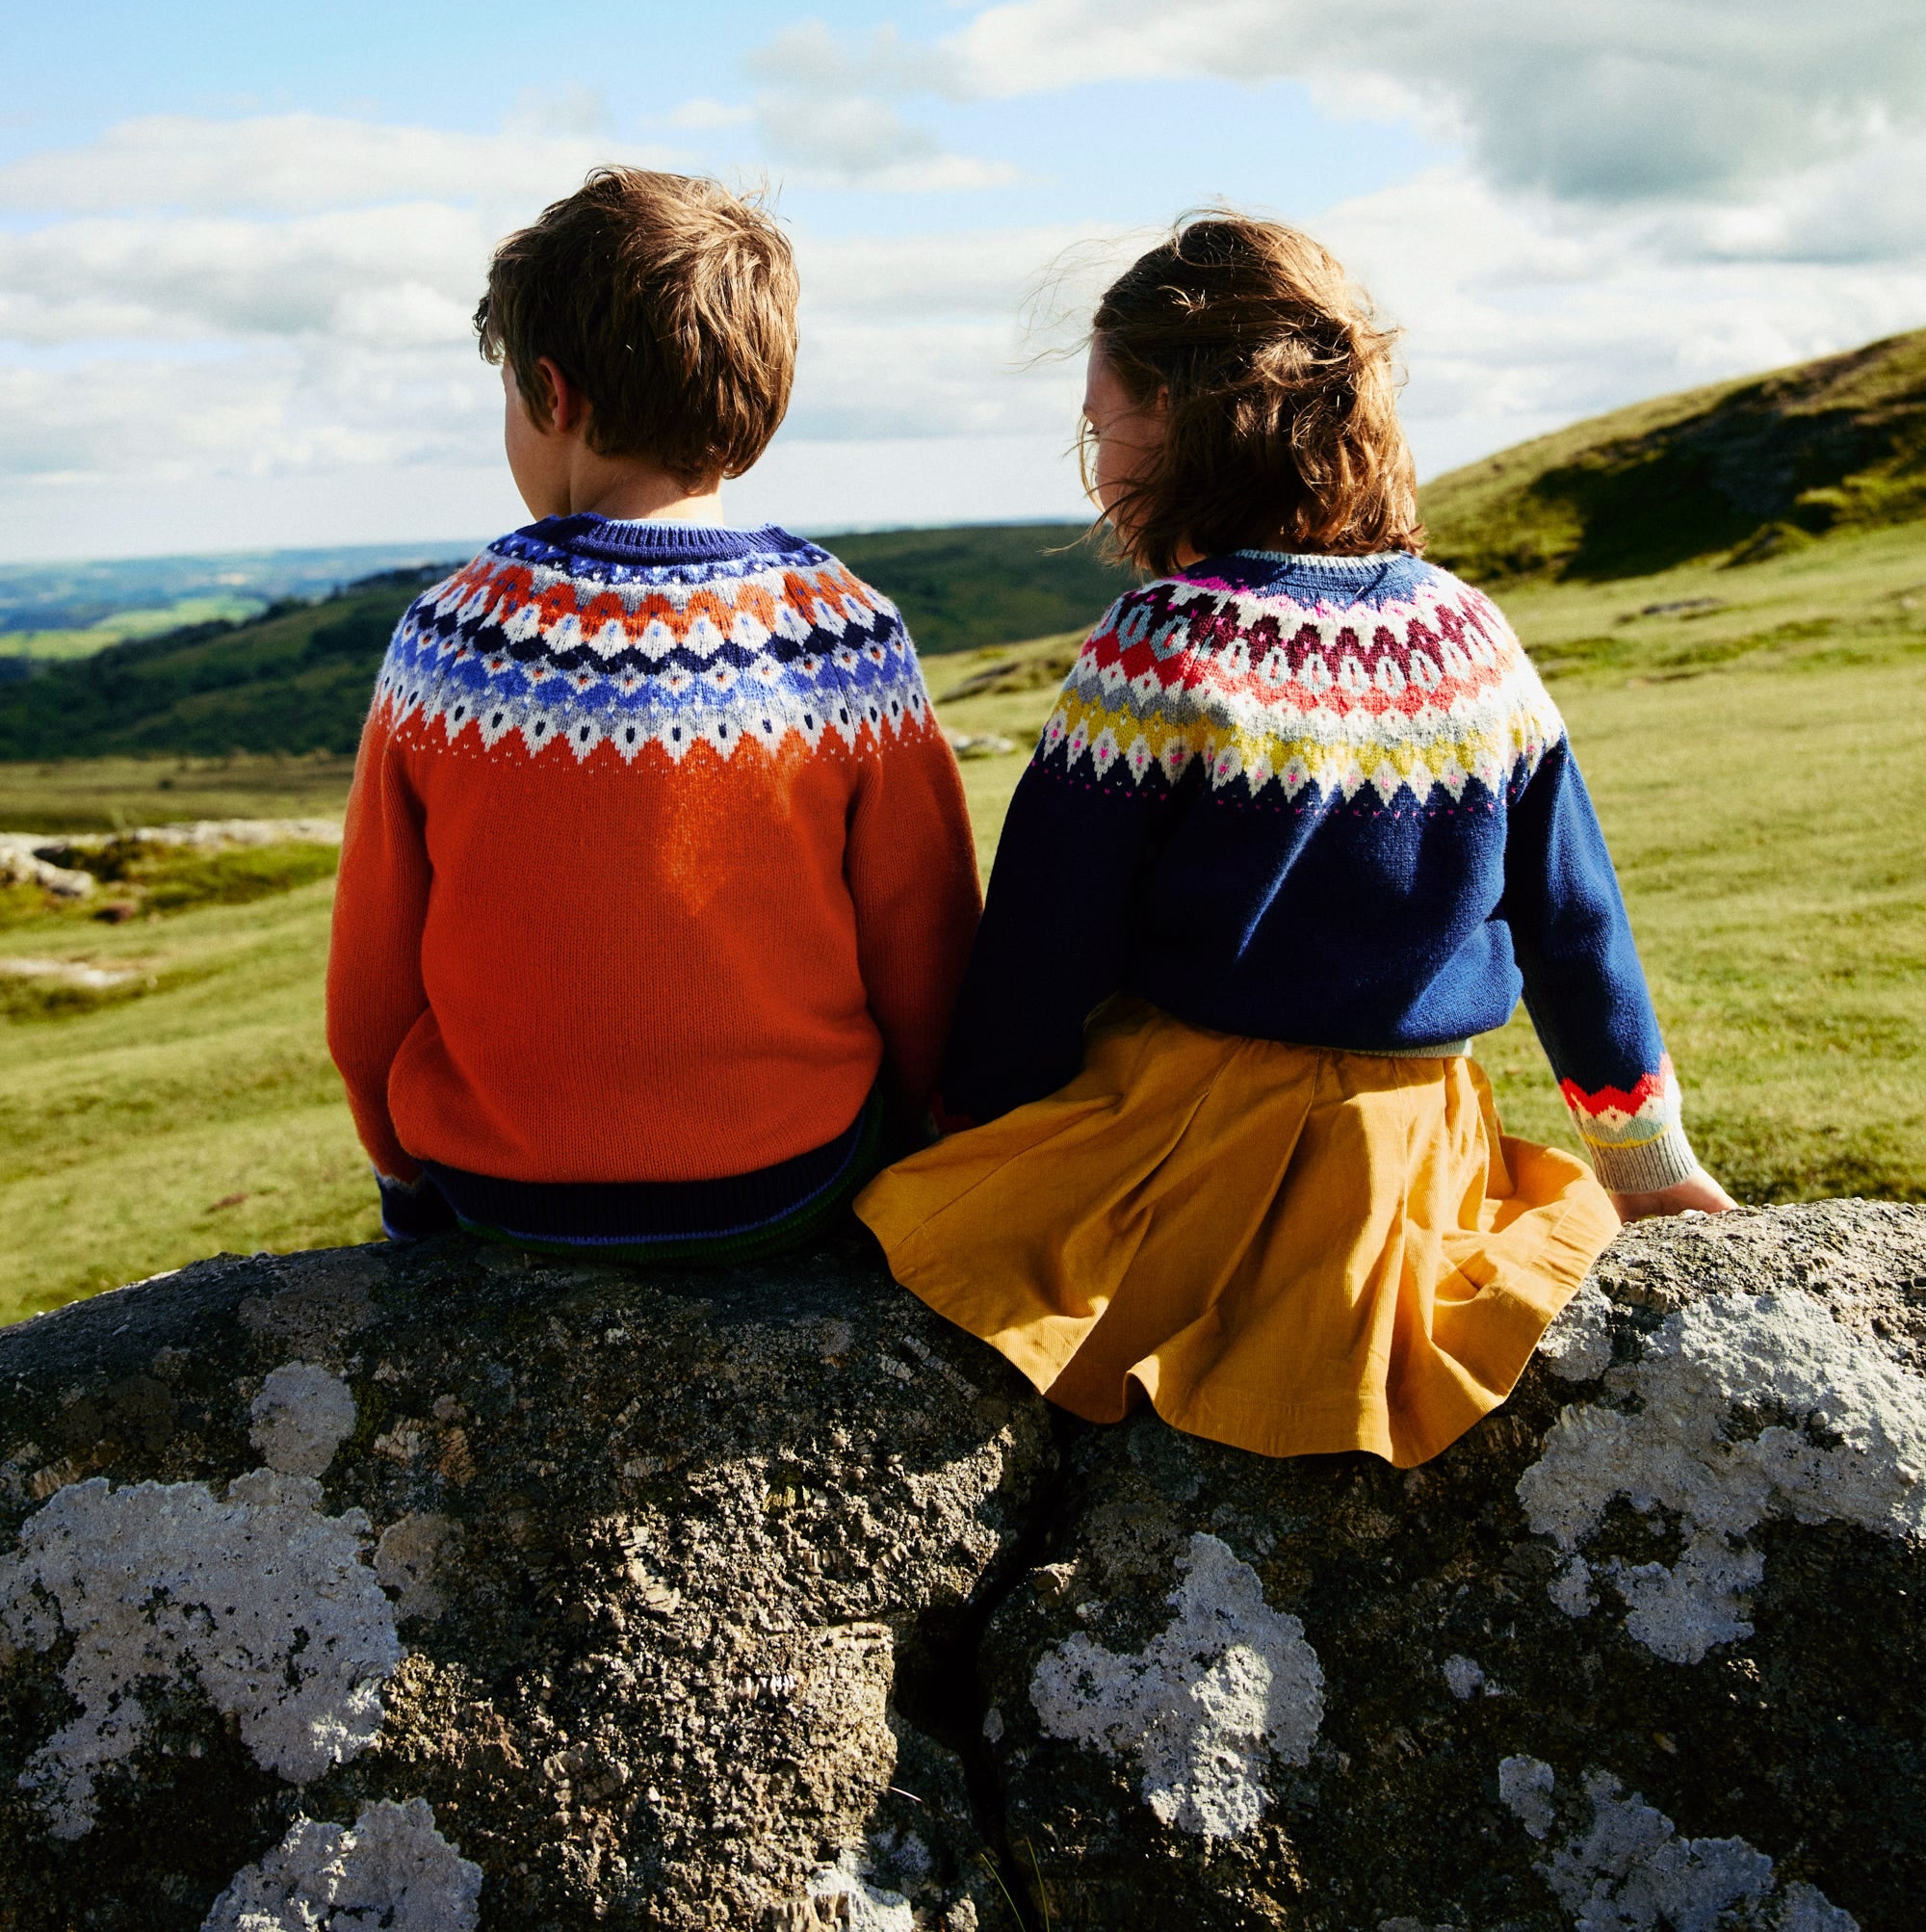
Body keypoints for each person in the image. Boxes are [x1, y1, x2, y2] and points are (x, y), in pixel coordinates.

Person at [857, 213, 1732, 1466]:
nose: (1093, 452)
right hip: (1418, 1155)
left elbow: (1045, 941)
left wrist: (981, 1132)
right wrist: (1643, 1162)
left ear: (1177, 415)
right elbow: (1574, 917)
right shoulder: (1468, 635)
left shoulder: (1159, 642)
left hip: (1182, 1139)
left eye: (1099, 416)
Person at [326, 168, 980, 1263]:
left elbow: (372, 986)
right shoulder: (847, 637)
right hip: (789, 1181)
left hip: (500, 1190)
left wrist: (403, 1182)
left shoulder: (451, 641)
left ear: (551, 394)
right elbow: (925, 952)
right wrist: (915, 1143)